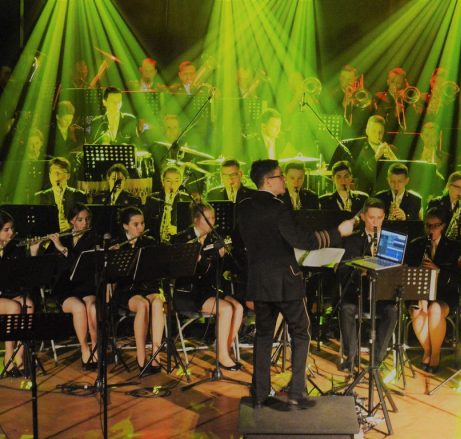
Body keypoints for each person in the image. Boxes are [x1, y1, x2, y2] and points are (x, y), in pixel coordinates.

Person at [236, 159, 354, 408]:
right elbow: (304, 241)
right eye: (280, 176)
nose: (283, 181)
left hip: (259, 282)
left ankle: (260, 394)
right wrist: (338, 233)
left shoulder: (244, 207)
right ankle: (296, 392)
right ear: (268, 181)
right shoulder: (278, 208)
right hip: (285, 282)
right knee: (301, 332)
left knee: (264, 335)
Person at [171, 203, 243, 370]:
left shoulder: (214, 239)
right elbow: (182, 271)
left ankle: (224, 348)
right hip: (189, 292)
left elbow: (218, 271)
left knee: (238, 308)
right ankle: (222, 357)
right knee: (226, 309)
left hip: (209, 289)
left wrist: (222, 257)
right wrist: (201, 259)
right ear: (196, 220)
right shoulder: (181, 239)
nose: (212, 221)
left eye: (213, 218)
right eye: (207, 218)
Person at [337, 198, 397, 371]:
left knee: (392, 311)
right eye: (371, 218)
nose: (375, 222)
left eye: (379, 218)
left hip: (382, 294)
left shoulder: (392, 241)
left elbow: (398, 270)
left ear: (384, 217)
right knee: (346, 309)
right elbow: (341, 270)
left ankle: (376, 360)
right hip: (358, 292)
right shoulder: (351, 240)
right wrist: (359, 270)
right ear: (363, 217)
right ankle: (351, 357)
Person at [406, 208, 461, 373]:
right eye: (428, 226)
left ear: (442, 226)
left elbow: (456, 279)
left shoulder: (453, 246)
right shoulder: (416, 244)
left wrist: (437, 270)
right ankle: (428, 350)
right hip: (419, 292)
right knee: (417, 311)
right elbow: (408, 271)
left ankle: (435, 354)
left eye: (435, 226)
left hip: (444, 294)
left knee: (435, 309)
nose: (431, 230)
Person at [111, 206, 164, 374]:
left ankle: (156, 355)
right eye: (136, 224)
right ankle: (141, 357)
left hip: (146, 286)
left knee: (157, 303)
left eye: (142, 223)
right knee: (143, 305)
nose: (140, 227)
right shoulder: (116, 244)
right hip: (126, 290)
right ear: (125, 226)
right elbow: (112, 277)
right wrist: (113, 257)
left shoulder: (149, 242)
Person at [46, 204, 99, 370]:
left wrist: (62, 249)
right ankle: (84, 348)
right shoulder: (62, 238)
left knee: (92, 308)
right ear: (71, 221)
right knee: (79, 308)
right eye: (80, 220)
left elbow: (80, 264)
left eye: (87, 219)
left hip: (86, 285)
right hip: (65, 288)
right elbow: (45, 266)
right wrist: (34, 249)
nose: (85, 223)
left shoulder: (93, 238)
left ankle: (96, 347)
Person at [0, 210, 36, 377]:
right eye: (6, 230)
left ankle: (19, 356)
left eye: (12, 229)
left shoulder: (16, 247)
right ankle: (8, 356)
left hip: (10, 292)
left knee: (28, 305)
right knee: (14, 307)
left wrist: (33, 252)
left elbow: (27, 275)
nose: (11, 233)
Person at [329, 115, 397, 193]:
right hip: (358, 193)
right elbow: (358, 174)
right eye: (374, 131)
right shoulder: (351, 146)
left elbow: (400, 176)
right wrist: (376, 156)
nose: (377, 135)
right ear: (367, 131)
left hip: (382, 194)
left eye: (380, 132)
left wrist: (394, 159)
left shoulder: (391, 149)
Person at [427, 171, 461, 253]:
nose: (460, 191)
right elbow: (429, 228)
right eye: (457, 187)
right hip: (439, 247)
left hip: (460, 248)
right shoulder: (435, 203)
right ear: (448, 185)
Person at [35, 157, 87, 232]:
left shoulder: (78, 195)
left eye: (60, 172)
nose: (56, 175)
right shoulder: (40, 196)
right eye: (53, 172)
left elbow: (85, 220)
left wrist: (71, 225)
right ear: (49, 175)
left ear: (68, 176)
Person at [144, 165, 190, 243]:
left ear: (181, 182)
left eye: (176, 181)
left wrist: (178, 230)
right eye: (168, 181)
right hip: (155, 243)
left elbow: (190, 227)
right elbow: (146, 224)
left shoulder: (186, 199)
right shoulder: (152, 199)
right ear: (162, 181)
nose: (172, 184)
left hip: (177, 243)